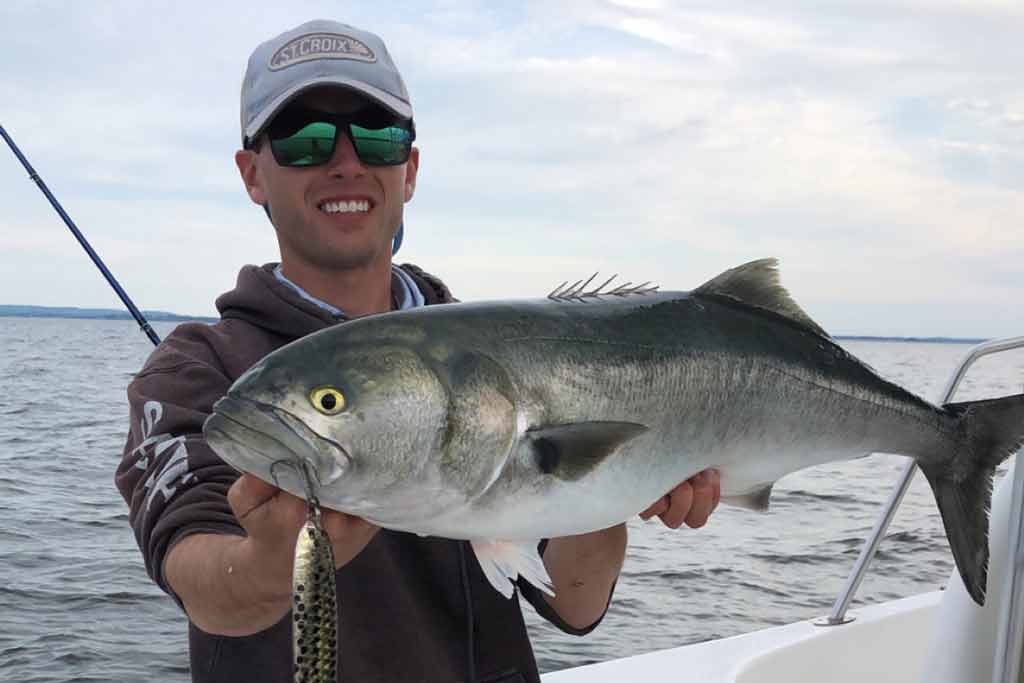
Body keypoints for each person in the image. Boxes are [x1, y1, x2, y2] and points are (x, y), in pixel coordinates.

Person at [115, 19, 721, 683]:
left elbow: (576, 600)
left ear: (410, 168)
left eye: (376, 134)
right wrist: (266, 565)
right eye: (305, 138)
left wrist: (621, 483)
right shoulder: (196, 373)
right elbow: (197, 571)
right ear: (252, 174)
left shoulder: (507, 359)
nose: (346, 160)